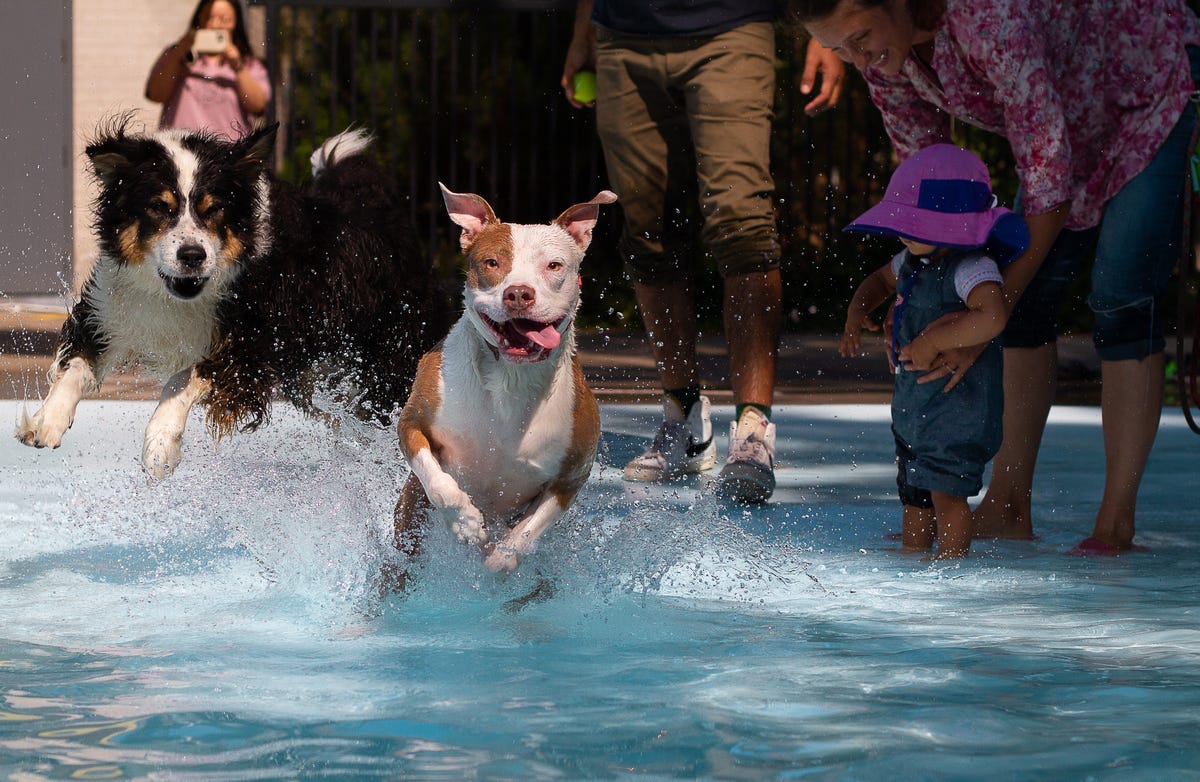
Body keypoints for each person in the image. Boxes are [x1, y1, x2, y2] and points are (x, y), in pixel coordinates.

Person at [792, 0, 1200, 552]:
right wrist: (928, 298)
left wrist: (980, 319)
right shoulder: (885, 63)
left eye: (860, 36)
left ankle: (1114, 523)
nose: (858, 58)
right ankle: (1008, 504)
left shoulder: (986, 17)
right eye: (840, 48)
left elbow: (1047, 177)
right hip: (1066, 117)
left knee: (1122, 295)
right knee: (1025, 307)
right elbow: (931, 199)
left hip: (1147, 82)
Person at [561, 0, 845, 503]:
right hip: (622, 35)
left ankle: (753, 430)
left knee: (743, 224)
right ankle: (684, 418)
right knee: (645, 228)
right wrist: (585, 29)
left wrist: (826, 28)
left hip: (730, 27)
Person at [840, 144, 1029, 559]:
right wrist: (858, 307)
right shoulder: (912, 258)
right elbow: (879, 280)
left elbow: (993, 316)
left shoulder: (970, 268)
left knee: (946, 496)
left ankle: (951, 570)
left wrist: (933, 341)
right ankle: (914, 558)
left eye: (912, 225)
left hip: (957, 412)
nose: (901, 232)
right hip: (916, 412)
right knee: (915, 496)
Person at [145, 0, 271, 141]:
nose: (215, 25)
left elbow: (257, 105)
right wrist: (179, 52)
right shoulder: (177, 55)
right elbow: (155, 94)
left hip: (227, 153)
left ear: (236, 24)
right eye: (209, 18)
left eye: (225, 19)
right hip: (180, 150)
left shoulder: (248, 64)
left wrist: (237, 66)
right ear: (199, 20)